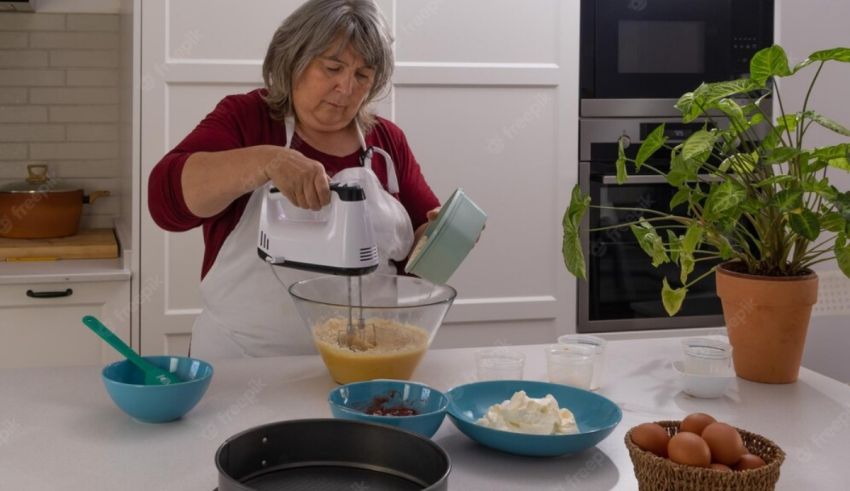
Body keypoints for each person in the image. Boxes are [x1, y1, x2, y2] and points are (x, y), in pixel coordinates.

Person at [148, 0, 441, 358]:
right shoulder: (246, 118)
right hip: (241, 364)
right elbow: (165, 203)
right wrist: (266, 160)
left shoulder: (386, 142)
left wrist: (445, 236)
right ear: (293, 59)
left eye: (363, 75)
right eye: (333, 68)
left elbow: (415, 259)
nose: (346, 88)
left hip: (358, 366)